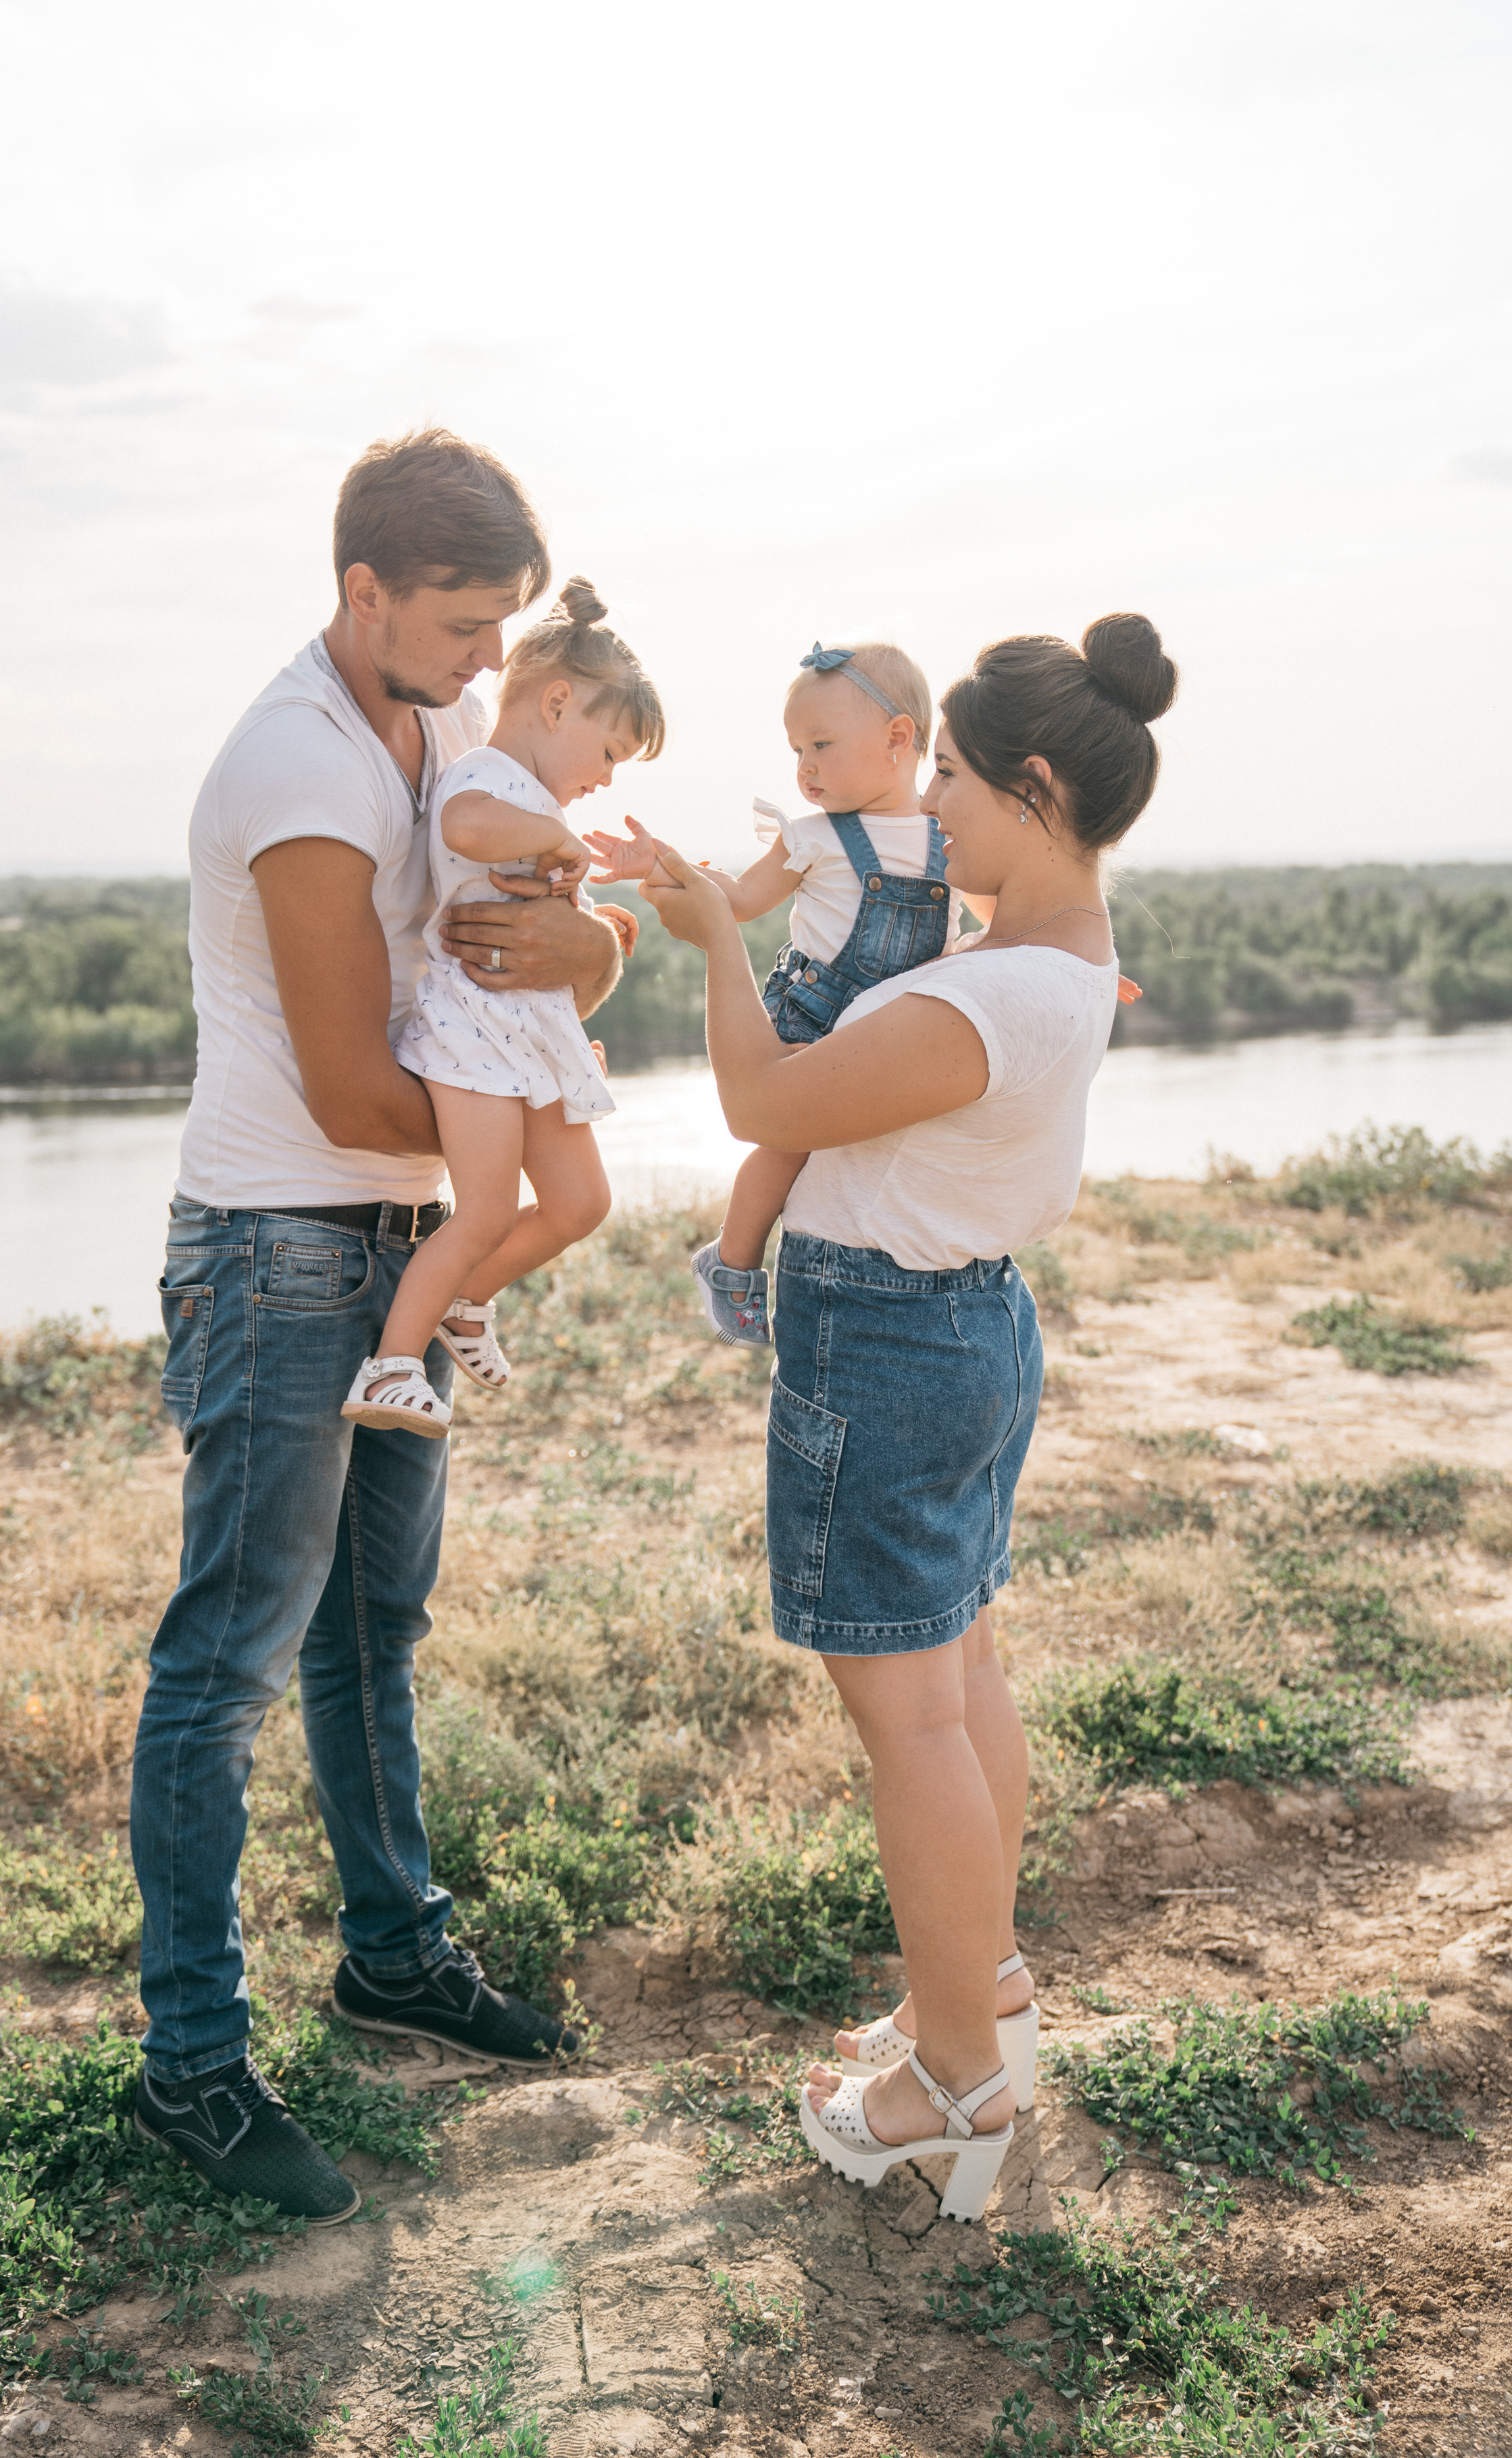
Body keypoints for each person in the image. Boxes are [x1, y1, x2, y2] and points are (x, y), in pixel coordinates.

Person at [130, 431, 630, 2224]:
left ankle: (395, 1955)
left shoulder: (426, 729)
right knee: (231, 1661)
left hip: (395, 1236)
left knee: (370, 1636)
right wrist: (545, 1120)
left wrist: (590, 971)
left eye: (508, 624)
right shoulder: (301, 764)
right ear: (365, 594)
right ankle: (190, 2065)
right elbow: (355, 1080)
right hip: (281, 1248)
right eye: (467, 622)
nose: (496, 655)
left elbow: (521, 945)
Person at [637, 613, 1178, 2218]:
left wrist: (713, 942)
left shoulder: (982, 1000)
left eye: (945, 772)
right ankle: (982, 1997)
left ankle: (950, 2087)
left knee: (911, 1722)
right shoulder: (1050, 959)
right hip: (965, 1329)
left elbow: (759, 1106)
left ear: (1027, 785)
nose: (927, 801)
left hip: (887, 1343)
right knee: (959, 1677)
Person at [348, 579, 666, 1434]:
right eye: (609, 753)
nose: (605, 778)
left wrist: (593, 916)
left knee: (580, 1204)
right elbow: (468, 831)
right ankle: (391, 1366)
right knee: (484, 1207)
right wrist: (557, 842)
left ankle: (467, 1300)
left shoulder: (537, 800)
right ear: (557, 704)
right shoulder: (485, 777)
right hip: (474, 1034)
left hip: (527, 1034)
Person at [587, 639, 948, 1351]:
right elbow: (743, 898)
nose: (804, 768)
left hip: (895, 1032)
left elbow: (1005, 925)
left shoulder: (950, 838)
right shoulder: (814, 838)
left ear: (897, 740)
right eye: (795, 751)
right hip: (813, 1019)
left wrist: (1062, 949)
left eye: (820, 744)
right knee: (788, 1148)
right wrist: (660, 864)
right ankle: (733, 1262)